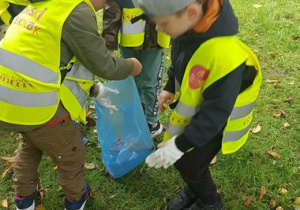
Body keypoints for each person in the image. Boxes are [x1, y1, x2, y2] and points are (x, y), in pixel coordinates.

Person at [0, 0, 142, 209]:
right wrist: (132, 66)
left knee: (31, 145)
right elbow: (102, 64)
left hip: (10, 103)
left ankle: (24, 199)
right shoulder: (76, 11)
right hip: (37, 106)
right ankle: (76, 199)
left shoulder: (46, 6)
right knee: (70, 153)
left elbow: (59, 66)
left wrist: (94, 89)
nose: (106, 3)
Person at [138, 0, 262, 209]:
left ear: (191, 12)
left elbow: (215, 114)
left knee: (191, 164)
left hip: (219, 123)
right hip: (202, 116)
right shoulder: (188, 29)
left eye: (164, 23)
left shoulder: (224, 56)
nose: (158, 28)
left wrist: (178, 146)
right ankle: (195, 188)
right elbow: (183, 62)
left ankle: (210, 202)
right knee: (190, 164)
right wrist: (170, 86)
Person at [102, 0, 170, 138]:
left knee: (149, 83)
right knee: (130, 83)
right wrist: (109, 47)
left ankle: (150, 122)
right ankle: (132, 118)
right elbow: (111, 12)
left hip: (155, 42)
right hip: (130, 43)